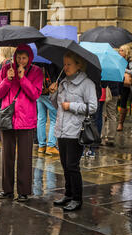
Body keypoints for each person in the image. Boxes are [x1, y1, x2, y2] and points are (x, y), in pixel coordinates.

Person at [49, 51, 97, 211]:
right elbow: (57, 106)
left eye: (69, 64)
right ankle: (68, 194)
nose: (65, 67)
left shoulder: (87, 84)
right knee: (64, 164)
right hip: (61, 129)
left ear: (78, 65)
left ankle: (77, 198)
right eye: (64, 64)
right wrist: (54, 93)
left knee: (72, 165)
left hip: (76, 130)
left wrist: (72, 106)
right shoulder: (63, 82)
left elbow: (93, 107)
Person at [0, 44, 43, 202]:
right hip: (8, 117)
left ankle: (23, 191)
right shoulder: (5, 69)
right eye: (18, 57)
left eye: (24, 58)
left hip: (26, 119)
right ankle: (7, 190)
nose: (21, 61)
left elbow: (35, 94)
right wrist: (8, 80)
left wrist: (23, 79)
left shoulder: (36, 72)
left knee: (24, 157)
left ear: (29, 58)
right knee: (7, 156)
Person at [36, 62, 62, 155]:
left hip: (39, 92)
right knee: (54, 119)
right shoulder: (51, 61)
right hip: (50, 93)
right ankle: (51, 145)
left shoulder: (37, 61)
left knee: (41, 118)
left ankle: (41, 145)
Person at [117, 44, 132, 132]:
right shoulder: (118, 60)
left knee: (123, 102)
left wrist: (123, 69)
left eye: (122, 50)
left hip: (124, 85)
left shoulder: (130, 62)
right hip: (116, 84)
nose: (119, 52)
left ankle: (120, 123)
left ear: (126, 52)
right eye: (119, 50)